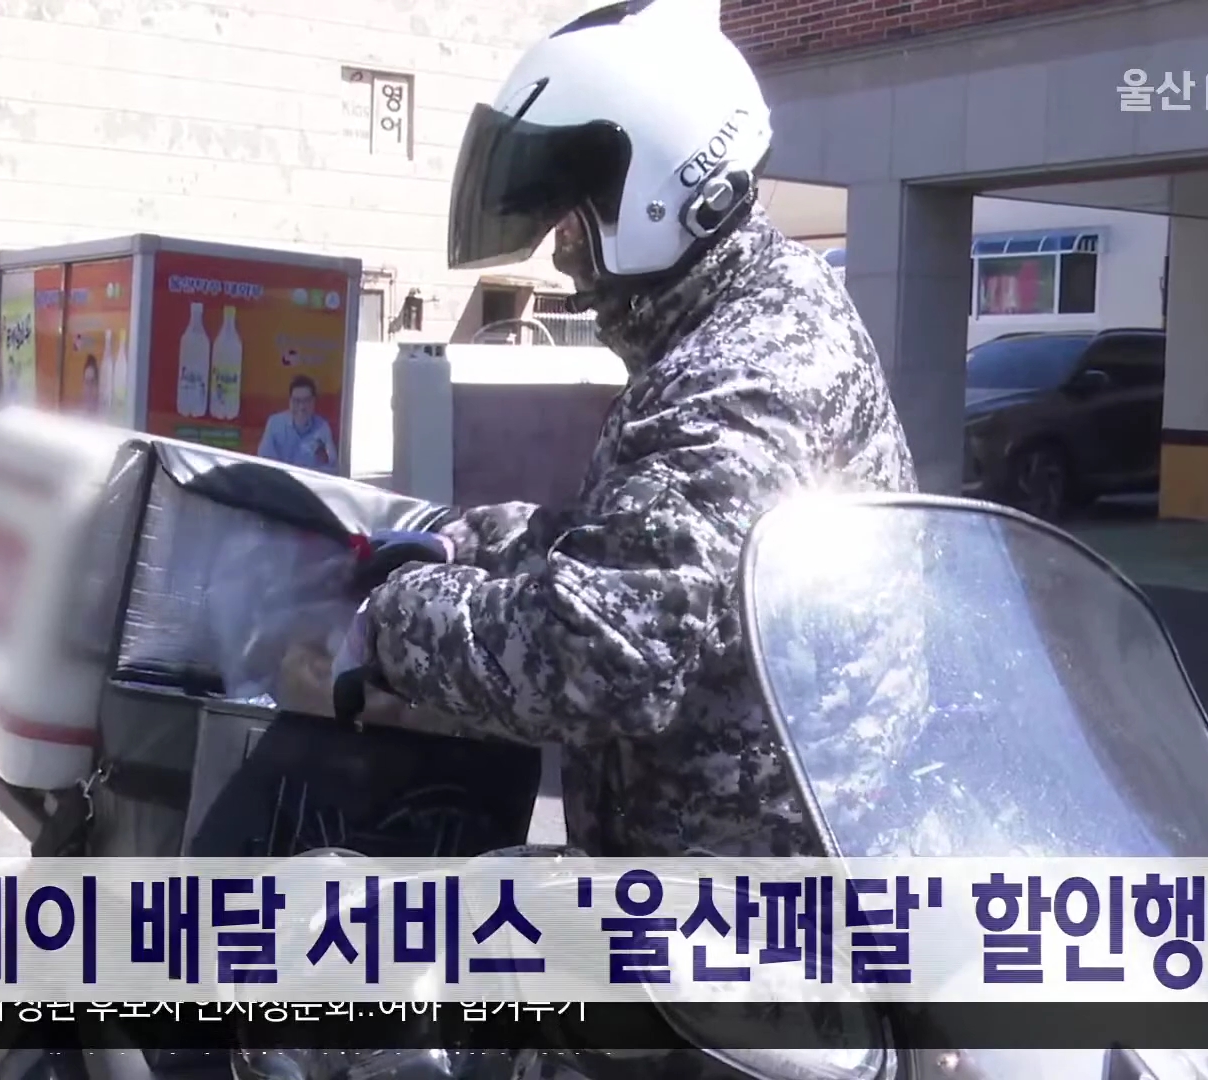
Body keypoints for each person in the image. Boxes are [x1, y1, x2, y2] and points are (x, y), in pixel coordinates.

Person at [332, 0, 918, 860]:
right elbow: (653, 544)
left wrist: (392, 623)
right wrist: (477, 542)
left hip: (746, 910)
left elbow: (602, 653)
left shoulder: (746, 377)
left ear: (656, 194)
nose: (559, 251)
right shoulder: (755, 308)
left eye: (570, 219)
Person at [256, 374, 338, 473]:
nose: (301, 407)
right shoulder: (274, 424)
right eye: (296, 401)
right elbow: (264, 462)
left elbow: (333, 466)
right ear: (289, 401)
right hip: (280, 479)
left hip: (308, 481)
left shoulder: (323, 427)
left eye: (306, 401)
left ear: (314, 401)